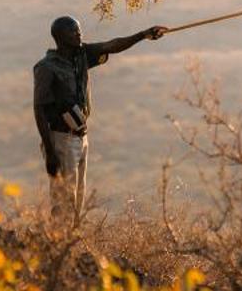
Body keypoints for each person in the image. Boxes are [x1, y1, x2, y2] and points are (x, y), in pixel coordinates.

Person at [33, 15, 166, 220]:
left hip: (80, 137)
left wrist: (143, 35)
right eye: (73, 30)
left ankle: (70, 243)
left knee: (77, 199)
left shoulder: (81, 55)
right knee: (63, 200)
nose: (79, 33)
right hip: (60, 139)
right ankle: (58, 243)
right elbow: (39, 109)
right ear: (60, 36)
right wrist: (50, 151)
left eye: (79, 29)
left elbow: (112, 45)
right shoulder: (47, 67)